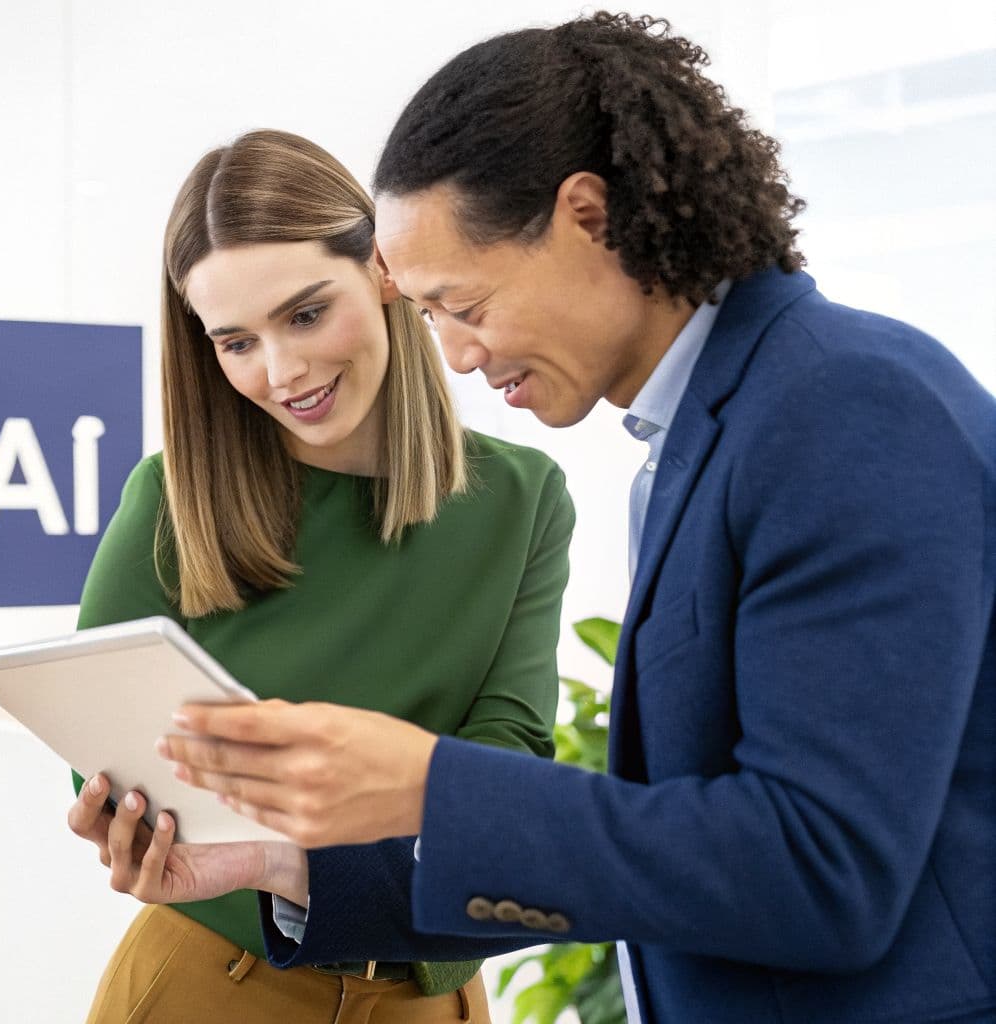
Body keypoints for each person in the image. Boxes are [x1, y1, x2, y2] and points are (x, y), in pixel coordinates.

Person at [159, 13, 996, 1024]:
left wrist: (432, 784)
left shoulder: (846, 406)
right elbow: (676, 849)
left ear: (587, 217)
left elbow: (820, 870)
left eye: (464, 305)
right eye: (429, 317)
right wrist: (288, 863)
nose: (457, 355)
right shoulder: (706, 436)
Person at [65, 128, 575, 1023]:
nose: (282, 372)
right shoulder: (172, 503)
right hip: (212, 984)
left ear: (383, 268)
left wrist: (293, 840)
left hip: (429, 996)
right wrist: (130, 815)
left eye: (304, 315)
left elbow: (505, 776)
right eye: (236, 342)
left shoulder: (522, 499)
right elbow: (104, 758)